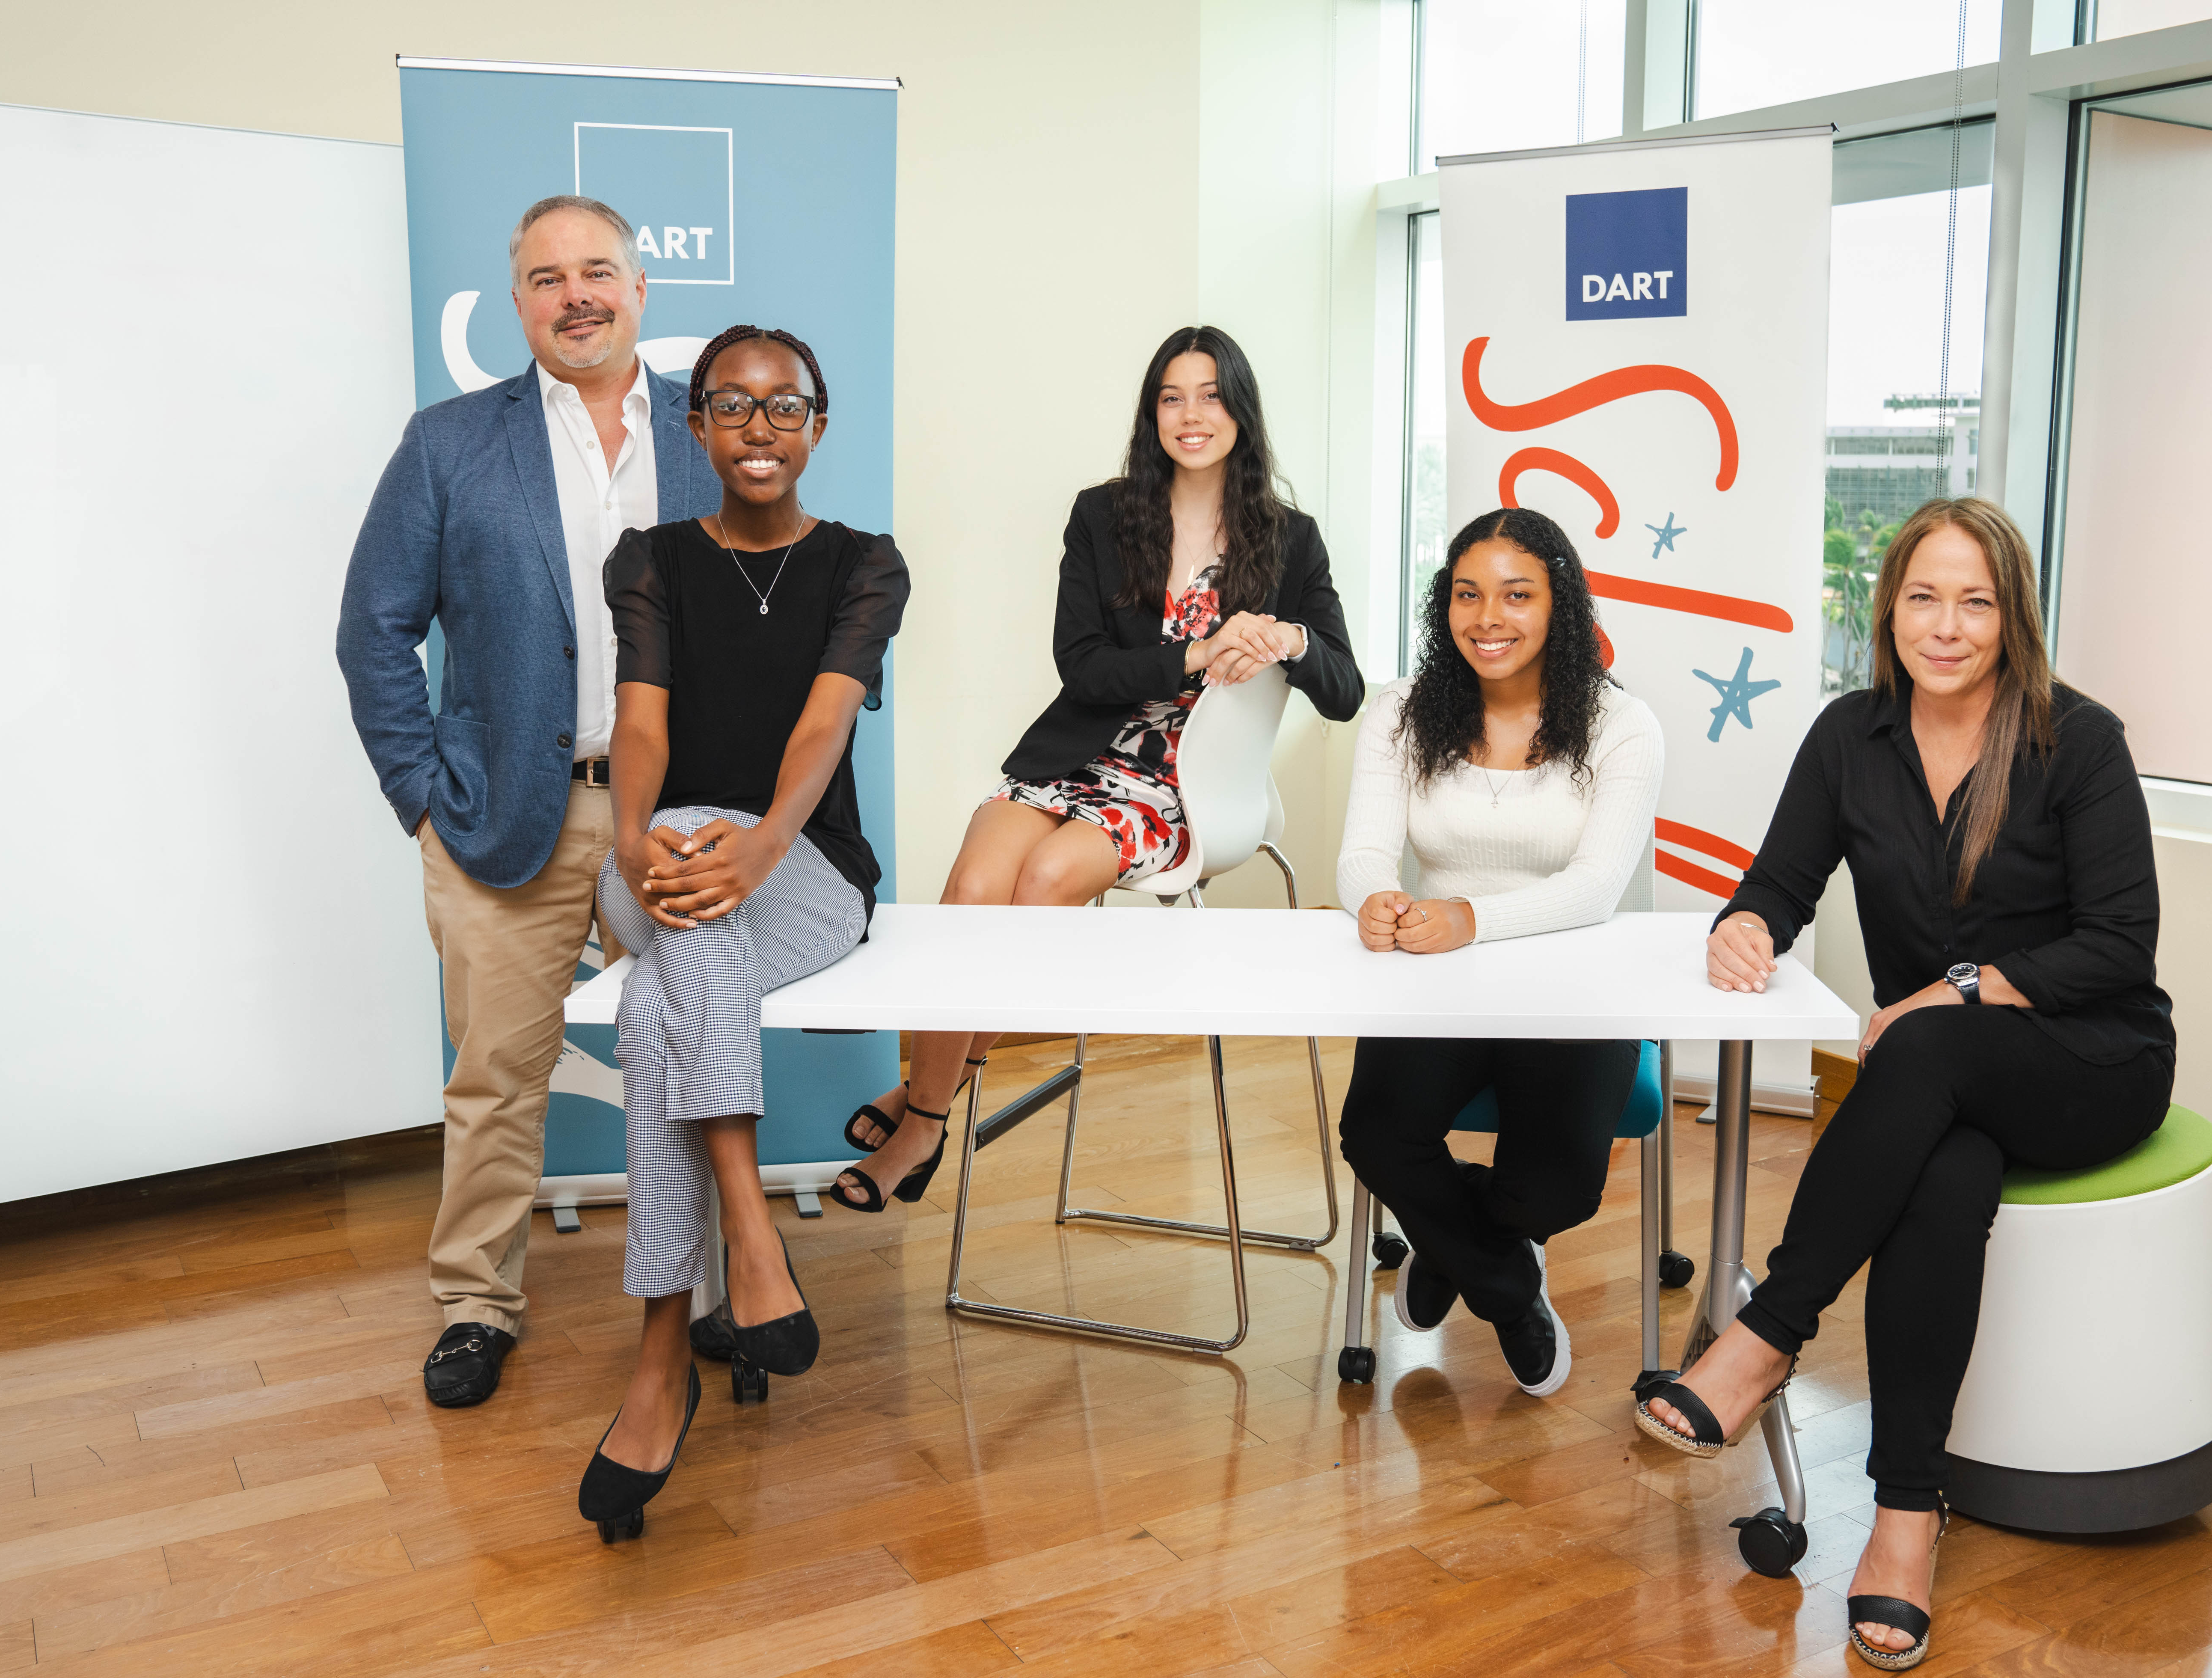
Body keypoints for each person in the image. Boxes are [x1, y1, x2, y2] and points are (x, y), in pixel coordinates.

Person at [1637, 496, 2174, 1672]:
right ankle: (1902, 1521)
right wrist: (1745, 927)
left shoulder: (2077, 741)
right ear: (1889, 609)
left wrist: (1960, 989)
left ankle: (1766, 1336)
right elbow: (1780, 881)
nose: (1947, 626)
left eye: (1975, 601)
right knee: (1941, 1180)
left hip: (2093, 1061)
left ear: (2011, 616)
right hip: (1950, 1092)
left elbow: (2120, 947)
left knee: (1920, 1046)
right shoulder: (1851, 737)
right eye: (1924, 598)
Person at [829, 325, 1363, 1212]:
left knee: (1042, 884)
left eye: (1211, 395)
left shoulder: (1290, 541)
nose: (1192, 416)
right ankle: (937, 1099)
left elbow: (1343, 689)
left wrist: (1291, 637)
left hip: (1182, 784)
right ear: (1152, 413)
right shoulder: (1104, 515)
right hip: (1077, 752)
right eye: (1172, 397)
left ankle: (926, 1110)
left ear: (1242, 410)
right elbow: (1081, 667)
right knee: (971, 890)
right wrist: (1198, 653)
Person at [338, 195, 721, 1409]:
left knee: (695, 1059)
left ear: (642, 290)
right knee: (499, 1076)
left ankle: (703, 1287)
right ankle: (474, 1303)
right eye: (547, 278)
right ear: (518, 305)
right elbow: (375, 631)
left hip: (677, 818)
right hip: (508, 813)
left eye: (598, 270)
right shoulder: (449, 442)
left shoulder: (712, 435)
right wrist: (420, 799)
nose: (576, 296)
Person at [575, 324, 909, 1540]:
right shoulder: (650, 560)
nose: (759, 426)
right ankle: (748, 1219)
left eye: (785, 406)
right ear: (698, 427)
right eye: (732, 404)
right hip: (655, 855)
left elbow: (823, 730)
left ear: (818, 426)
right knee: (688, 895)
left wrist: (762, 842)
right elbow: (642, 726)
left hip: (807, 866)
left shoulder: (867, 564)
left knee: (668, 996)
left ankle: (661, 1358)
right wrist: (629, 840)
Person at [1333, 508, 1665, 1398]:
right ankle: (1509, 1285)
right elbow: (1364, 850)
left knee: (1555, 1198)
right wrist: (1374, 898)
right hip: (1438, 976)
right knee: (1374, 1131)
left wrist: (1469, 915)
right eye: (1469, 594)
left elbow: (1596, 887)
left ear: (1561, 606)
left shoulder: (1622, 726)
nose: (1491, 617)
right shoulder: (1402, 710)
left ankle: (1453, 1245)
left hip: (1573, 987)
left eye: (1519, 595)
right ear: (1446, 606)